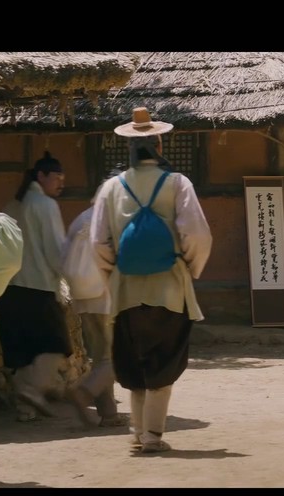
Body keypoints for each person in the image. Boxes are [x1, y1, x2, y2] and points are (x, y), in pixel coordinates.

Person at [91, 107, 213, 453]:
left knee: (133, 361)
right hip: (169, 288)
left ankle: (139, 432)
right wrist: (189, 268)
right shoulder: (177, 183)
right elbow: (197, 235)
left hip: (125, 290)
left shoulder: (111, 188)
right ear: (159, 145)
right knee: (164, 359)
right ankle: (153, 435)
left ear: (128, 148)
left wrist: (113, 274)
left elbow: (97, 242)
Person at [0, 151, 72, 422]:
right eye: (57, 177)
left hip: (10, 289)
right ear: (41, 176)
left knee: (22, 352)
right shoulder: (45, 205)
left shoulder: (13, 205)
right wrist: (68, 278)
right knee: (55, 345)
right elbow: (56, 251)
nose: (61, 182)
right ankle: (31, 393)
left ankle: (25, 408)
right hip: (38, 288)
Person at [63, 166, 128, 428]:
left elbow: (64, 257)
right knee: (122, 356)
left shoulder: (82, 218)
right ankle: (83, 392)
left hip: (83, 297)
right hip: (107, 296)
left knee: (101, 357)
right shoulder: (113, 220)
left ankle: (109, 414)